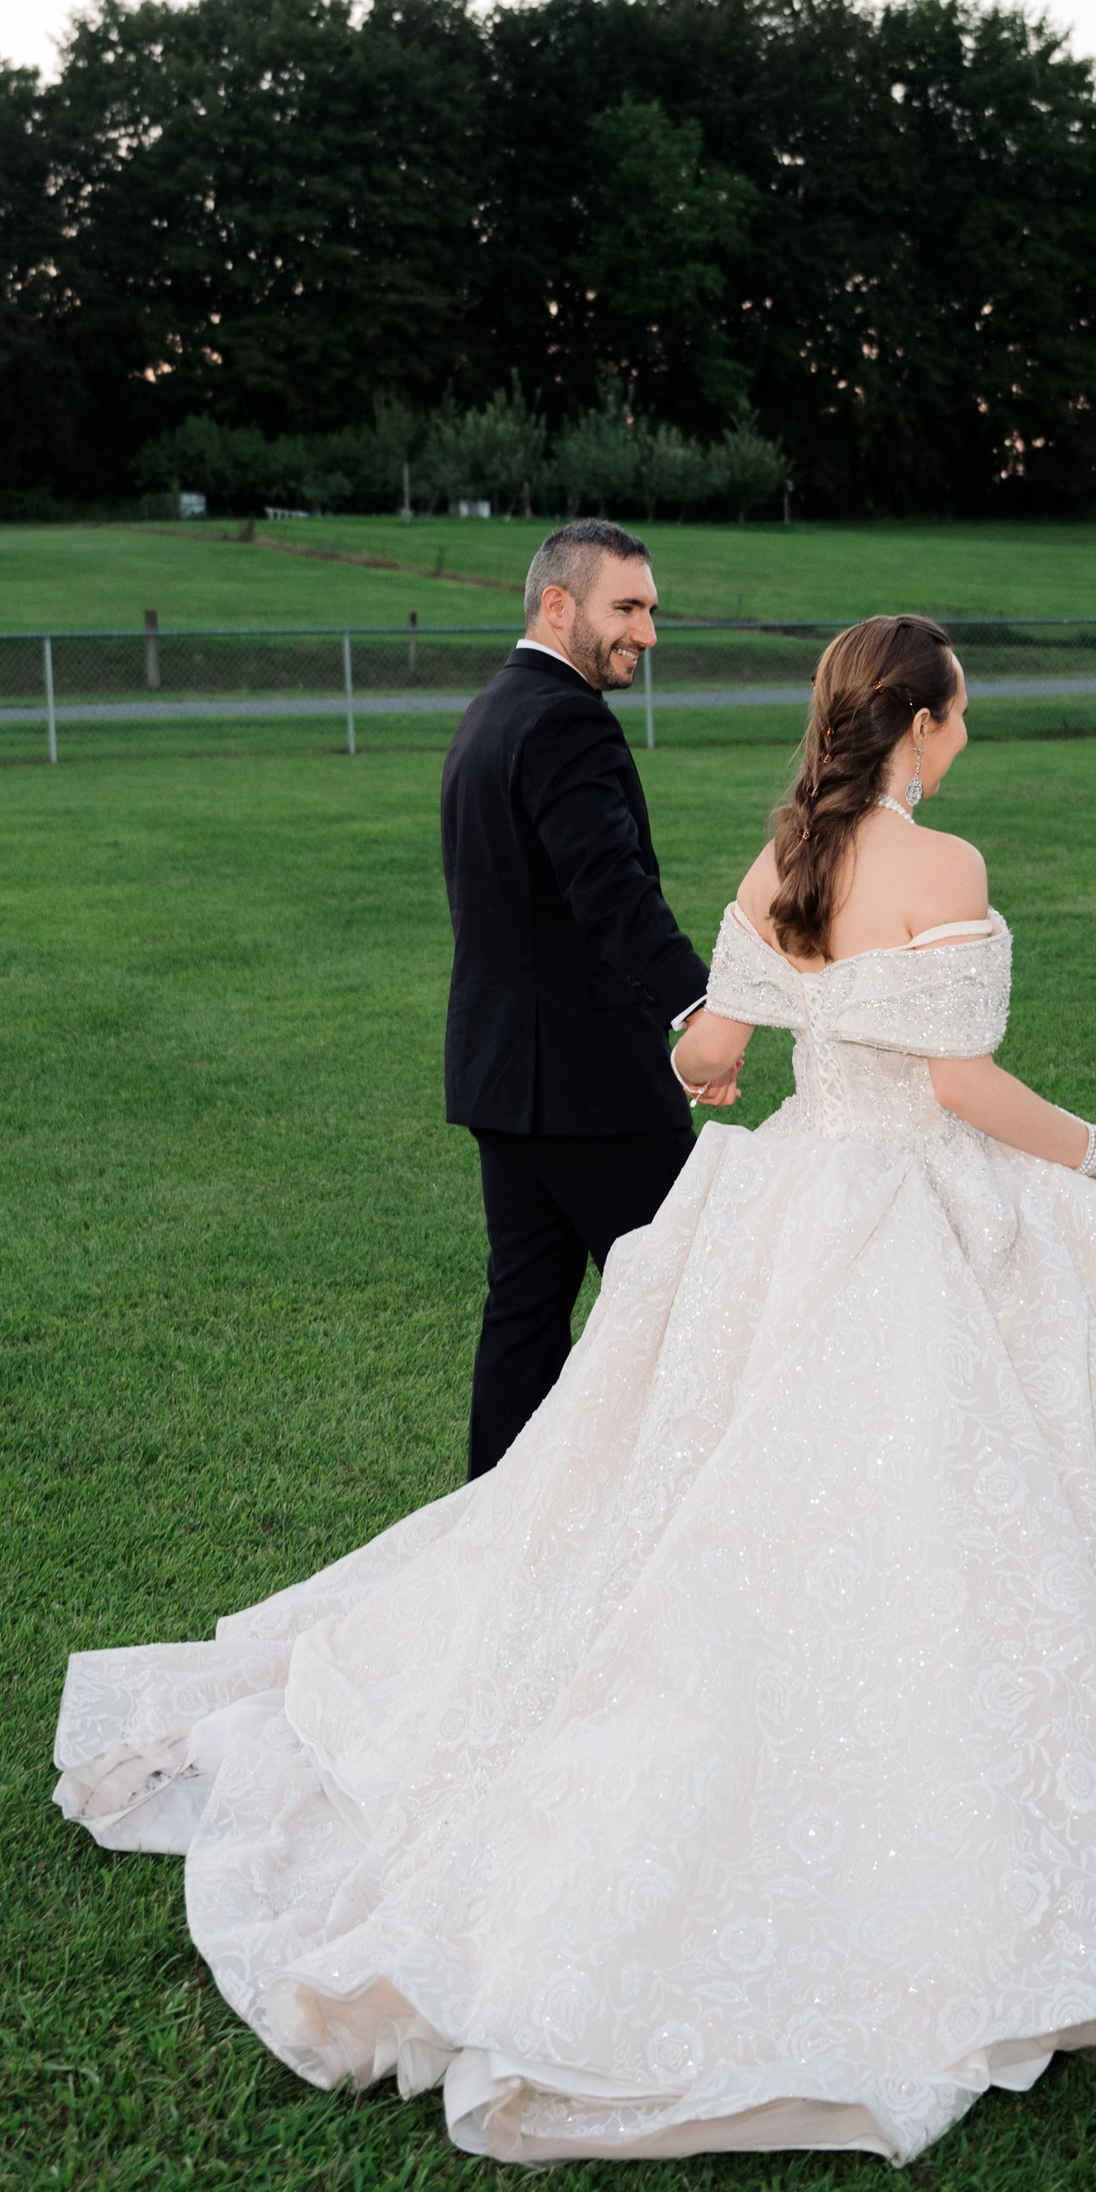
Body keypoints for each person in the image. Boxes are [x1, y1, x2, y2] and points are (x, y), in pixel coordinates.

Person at [55, 614, 1096, 2167]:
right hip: (921, 1202)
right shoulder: (946, 867)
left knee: (726, 1493)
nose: (970, 733)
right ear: (918, 721)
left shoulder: (785, 854)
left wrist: (739, 1058)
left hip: (793, 1200)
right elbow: (964, 1088)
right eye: (962, 711)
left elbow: (711, 1051)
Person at [437, 518, 715, 1476]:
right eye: (626, 607)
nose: (646, 631)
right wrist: (695, 1007)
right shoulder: (564, 719)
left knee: (525, 1311)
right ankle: (679, 1527)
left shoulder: (489, 713)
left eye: (651, 609)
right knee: (692, 1296)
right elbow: (611, 887)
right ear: (558, 605)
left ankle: (491, 1538)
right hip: (589, 1087)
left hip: (506, 1075)